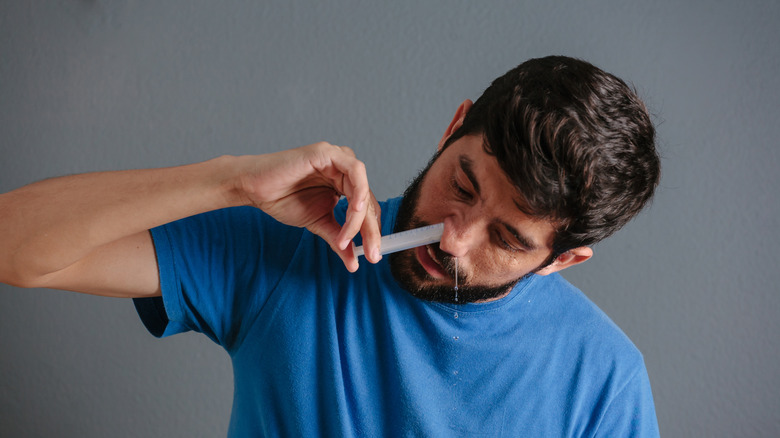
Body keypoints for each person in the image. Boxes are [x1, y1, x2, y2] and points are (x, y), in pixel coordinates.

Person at [0, 56, 661, 436]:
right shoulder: (294, 243)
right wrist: (229, 182)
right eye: (463, 184)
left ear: (561, 261)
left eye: (507, 239)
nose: (455, 237)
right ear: (454, 126)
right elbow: (14, 246)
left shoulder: (603, 383)